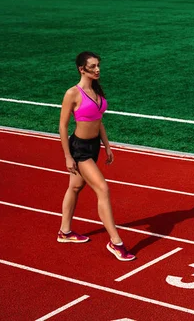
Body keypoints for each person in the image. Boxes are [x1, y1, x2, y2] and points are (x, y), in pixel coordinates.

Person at [57, 51, 135, 262]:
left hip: (93, 146)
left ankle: (65, 232)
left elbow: (98, 121)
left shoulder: (96, 91)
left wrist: (107, 146)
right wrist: (67, 155)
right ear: (82, 69)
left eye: (98, 65)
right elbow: (63, 126)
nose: (98, 69)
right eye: (93, 66)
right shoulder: (73, 93)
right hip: (80, 149)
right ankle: (116, 242)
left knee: (74, 187)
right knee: (103, 188)